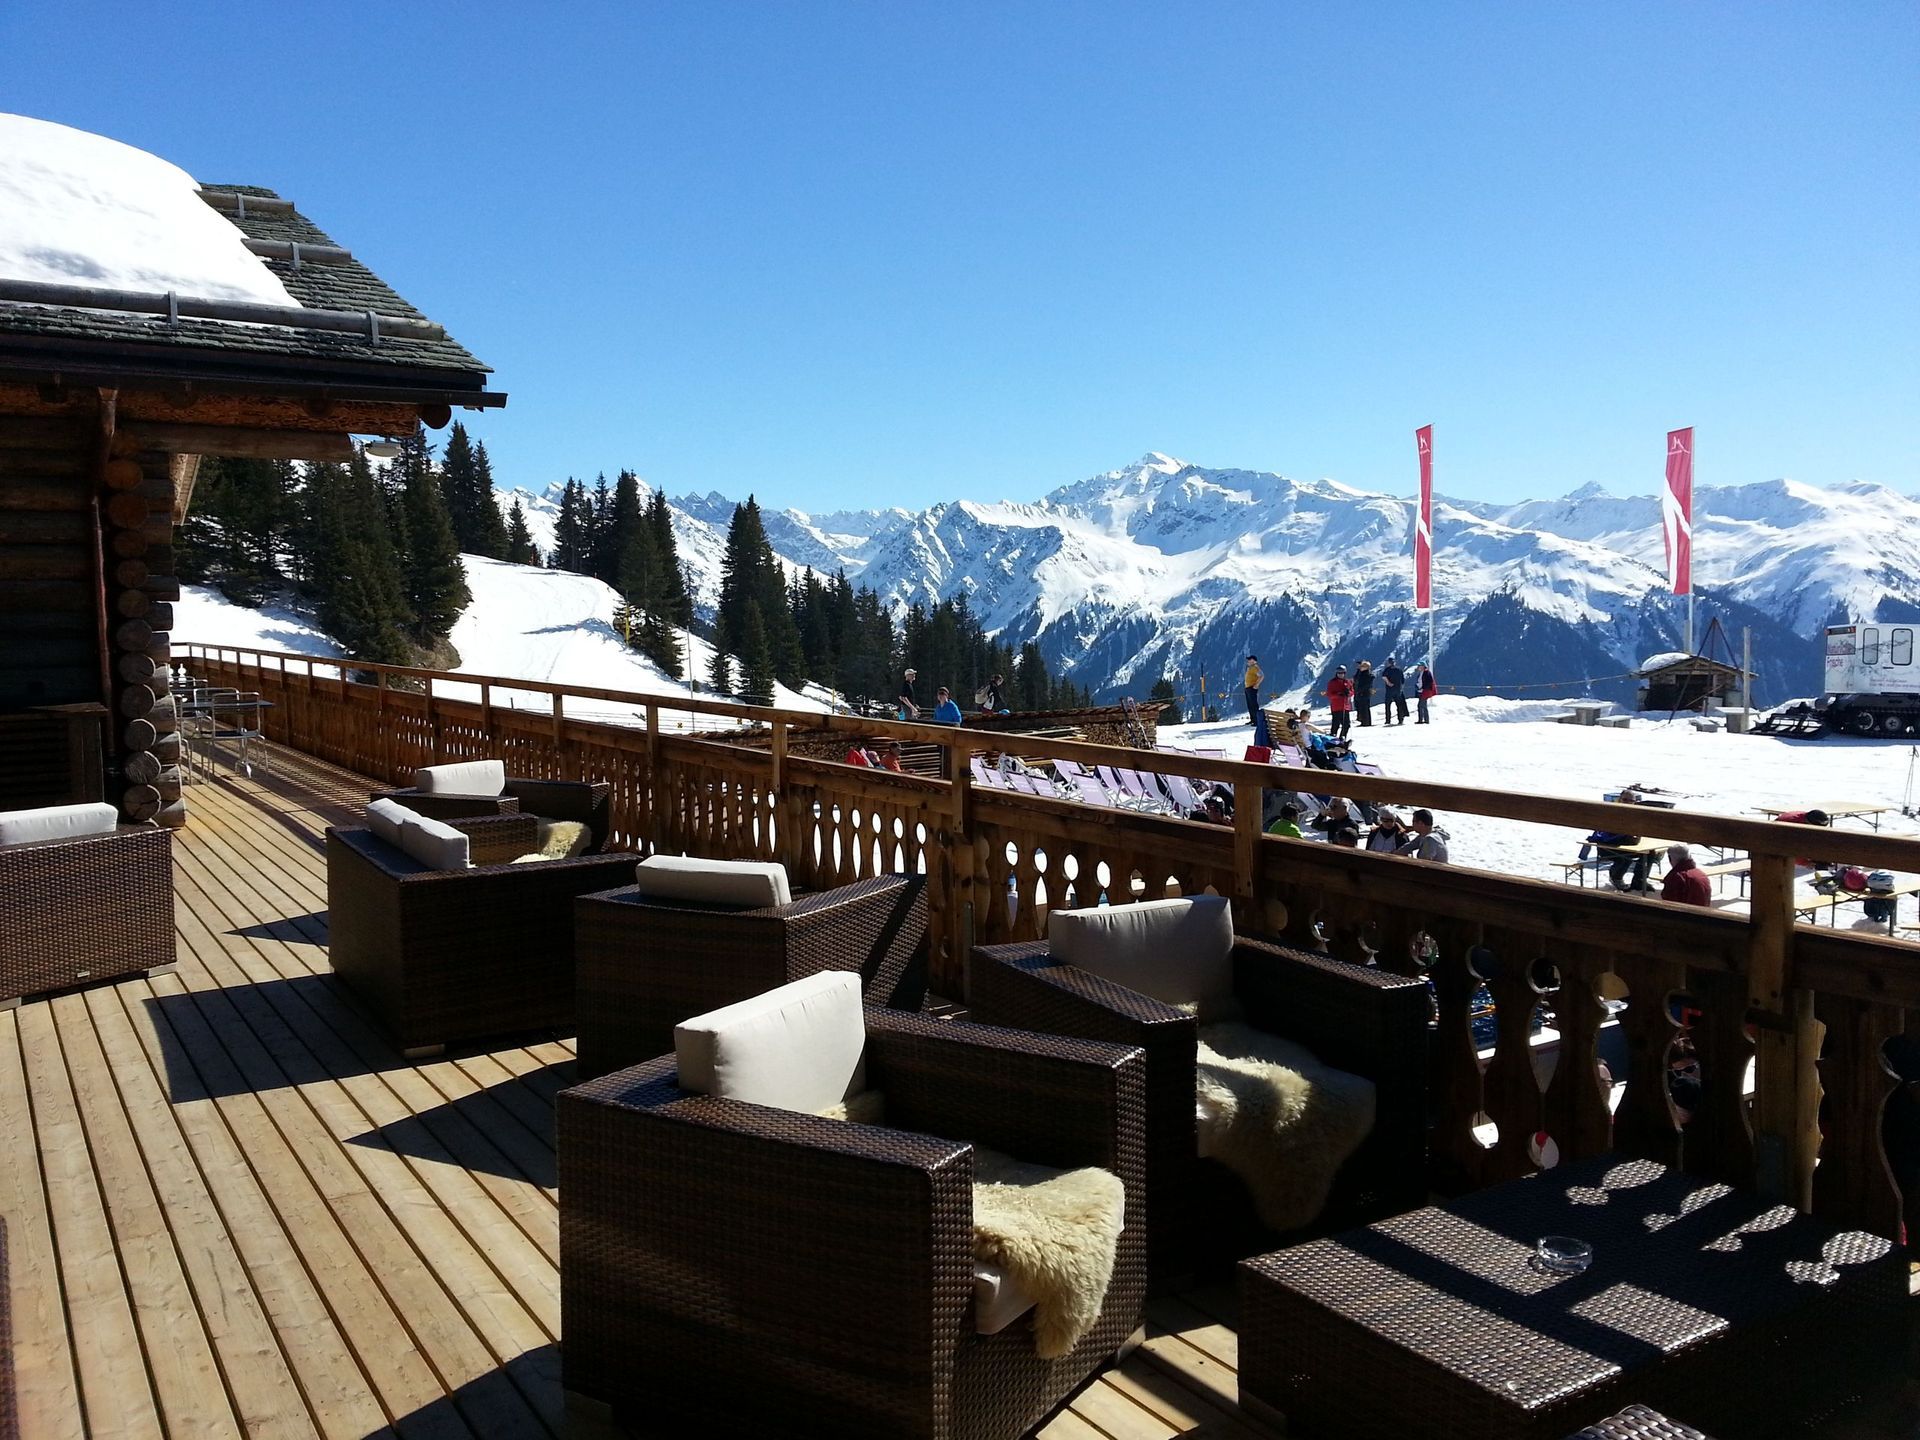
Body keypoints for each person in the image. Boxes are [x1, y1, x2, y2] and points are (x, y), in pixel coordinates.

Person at [1326, 666, 1354, 739]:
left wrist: (1348, 693)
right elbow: (1329, 694)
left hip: (1345, 706)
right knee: (1336, 724)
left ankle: (1342, 738)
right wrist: (1338, 694)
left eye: (1342, 673)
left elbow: (1352, 691)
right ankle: (1332, 738)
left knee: (1346, 725)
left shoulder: (1348, 682)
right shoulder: (1332, 682)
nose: (1340, 674)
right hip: (1336, 707)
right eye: (1339, 673)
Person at [1382, 657, 1408, 725]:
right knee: (1399, 705)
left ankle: (1388, 720)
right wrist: (1401, 689)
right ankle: (1400, 719)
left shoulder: (1387, 670)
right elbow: (1402, 681)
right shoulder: (1399, 670)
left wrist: (1388, 683)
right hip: (1398, 689)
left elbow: (1384, 677)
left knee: (1388, 705)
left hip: (1390, 690)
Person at [1353, 660, 1375, 728]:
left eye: (1362, 666)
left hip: (1364, 693)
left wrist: (1359, 690)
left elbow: (1367, 685)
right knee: (1361, 707)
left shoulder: (1368, 675)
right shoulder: (1361, 673)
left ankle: (1366, 722)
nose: (1360, 667)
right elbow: (1355, 679)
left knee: (1365, 708)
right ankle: (1363, 721)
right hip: (1359, 693)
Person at [1243, 655, 1263, 725]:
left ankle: (1257, 721)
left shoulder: (1255, 667)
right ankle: (1253, 719)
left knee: (1253, 705)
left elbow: (1261, 676)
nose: (1248, 661)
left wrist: (1256, 685)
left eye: (1249, 660)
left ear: (1253, 661)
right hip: (1248, 688)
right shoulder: (1250, 668)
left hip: (1252, 688)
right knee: (1250, 705)